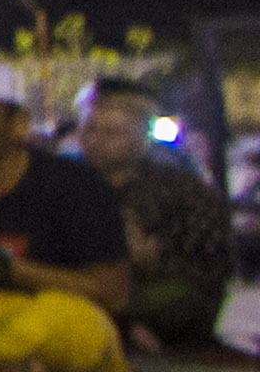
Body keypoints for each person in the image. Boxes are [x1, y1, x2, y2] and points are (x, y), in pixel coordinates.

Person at [0, 55, 131, 372]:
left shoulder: (75, 184)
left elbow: (114, 294)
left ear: (18, 124)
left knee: (70, 324)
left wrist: (1, 264)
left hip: (51, 319)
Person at [79, 77, 229, 353]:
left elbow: (211, 265)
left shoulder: (182, 188)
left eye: (111, 133)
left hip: (156, 293)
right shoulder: (69, 185)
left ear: (141, 136)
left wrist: (150, 257)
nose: (95, 140)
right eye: (89, 129)